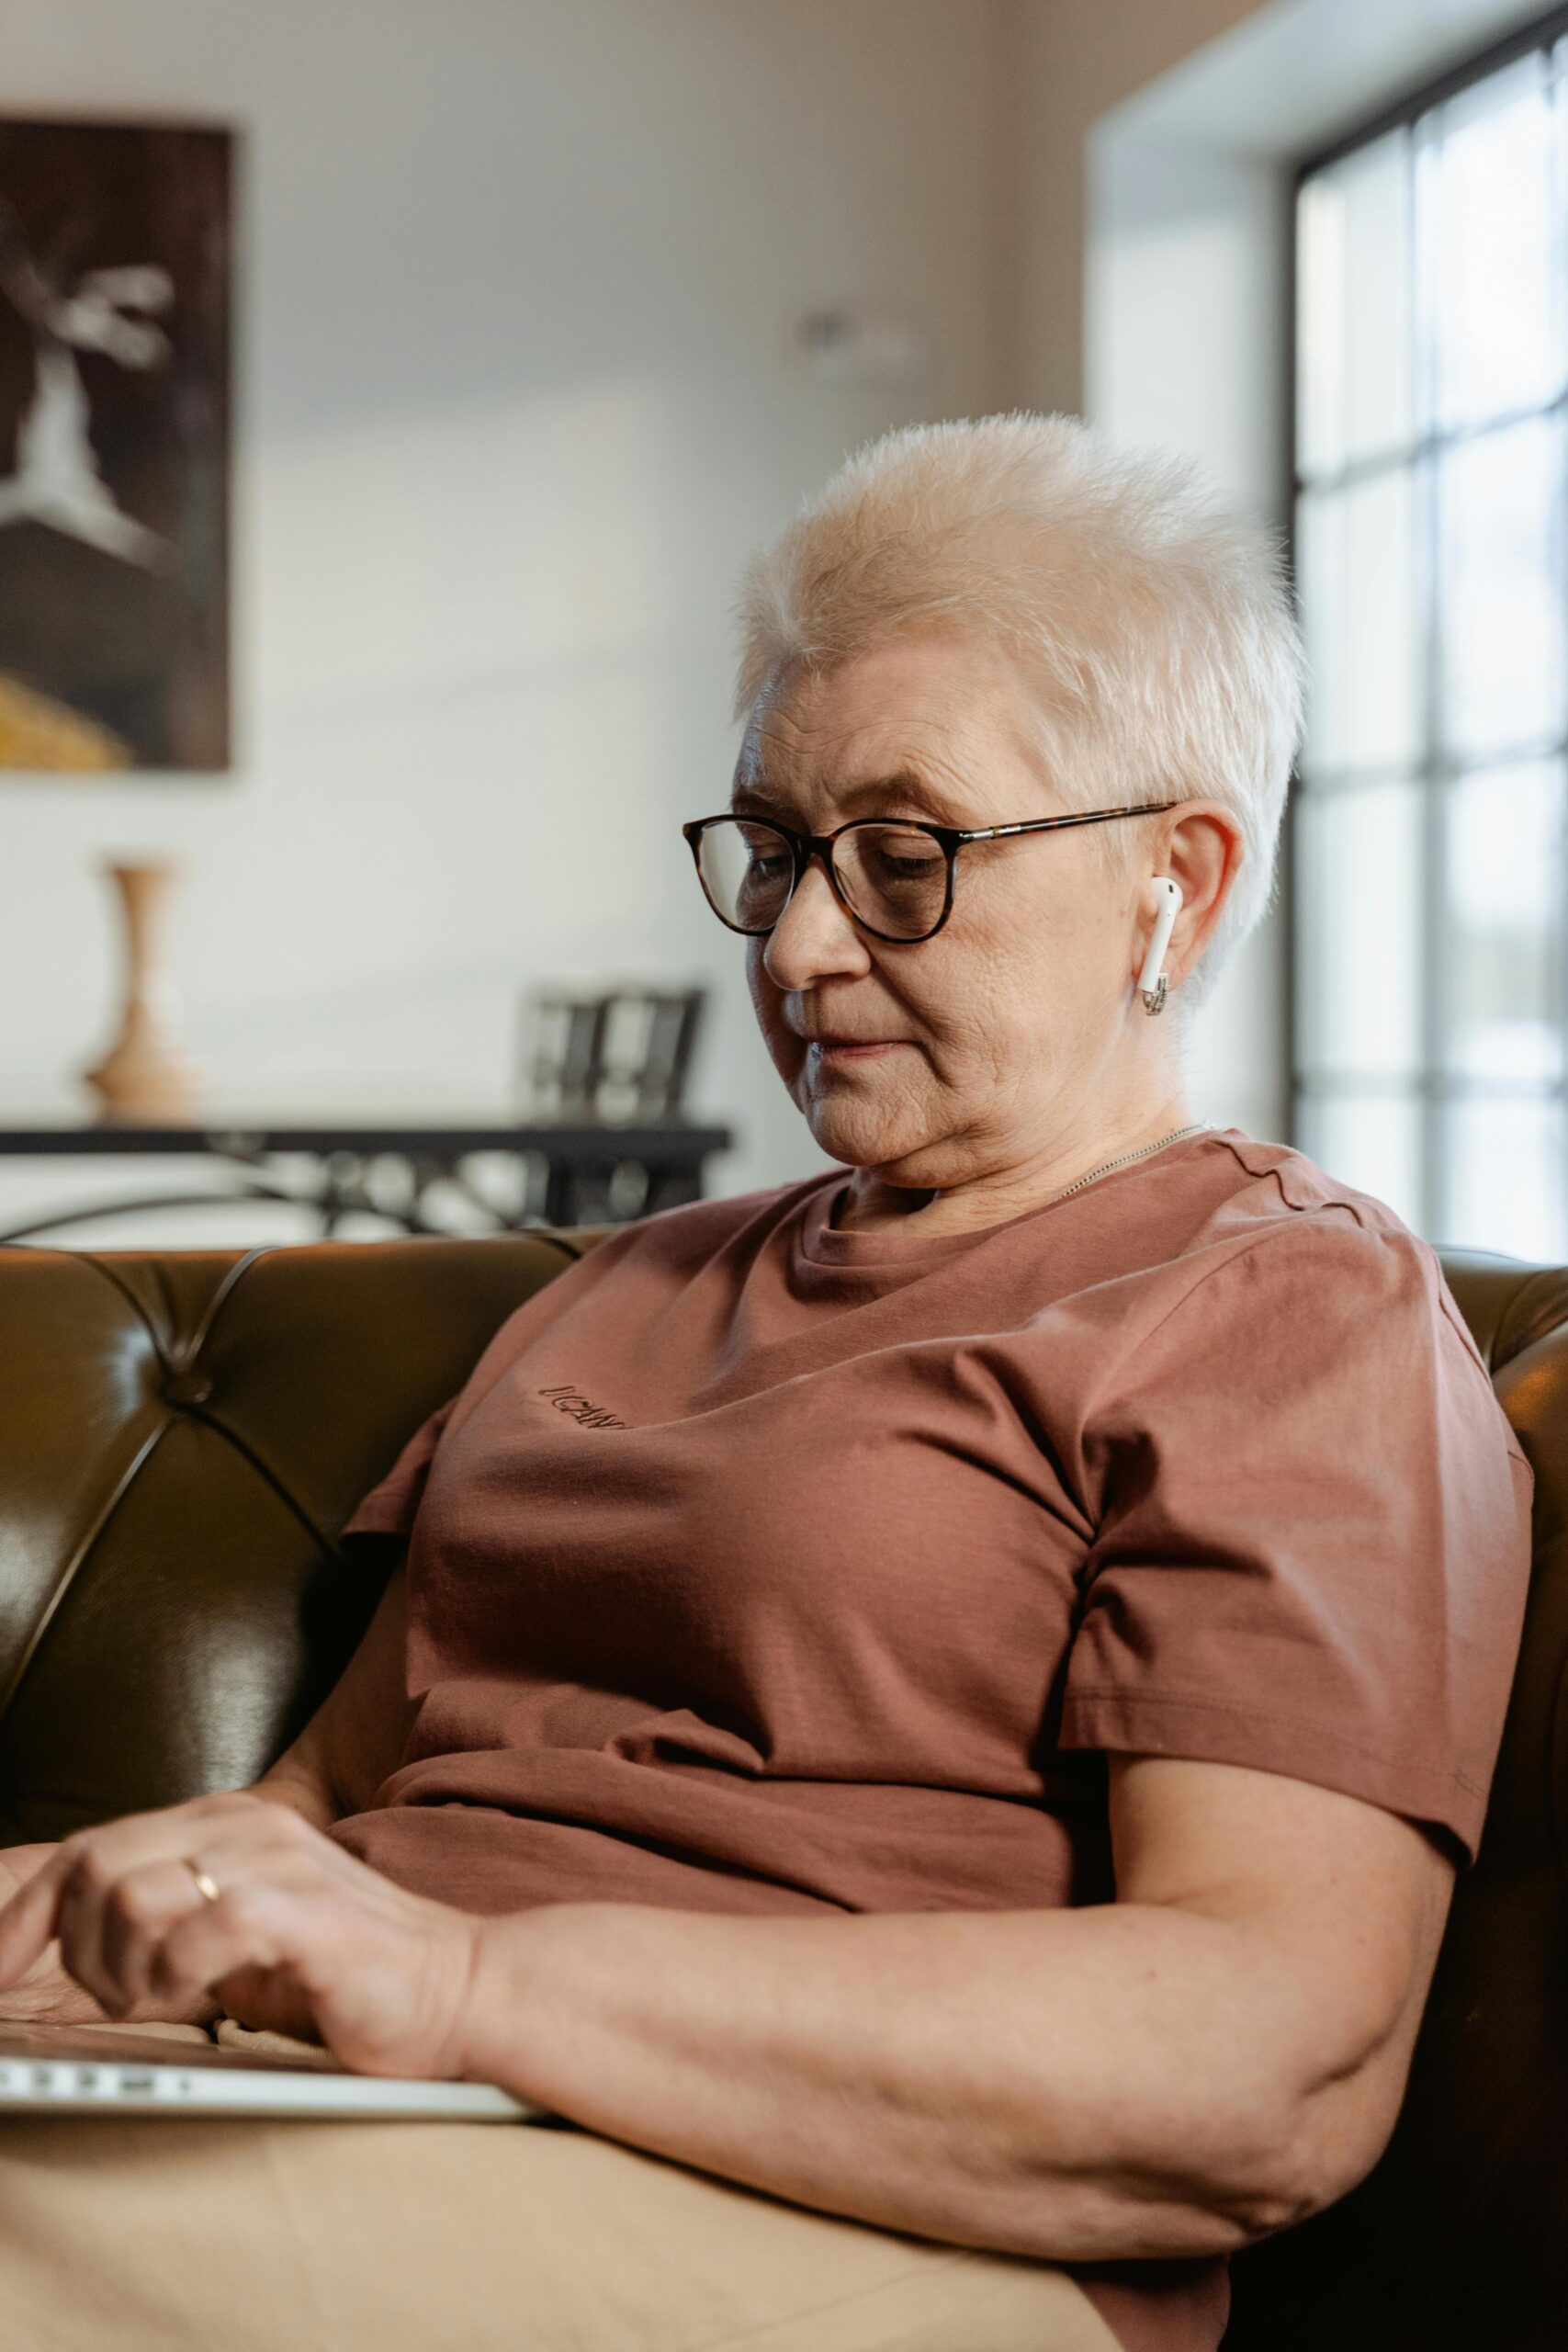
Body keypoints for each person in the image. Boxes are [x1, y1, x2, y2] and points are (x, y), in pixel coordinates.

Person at [0, 413, 1532, 2352]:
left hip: (853, 2215)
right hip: (392, 2115)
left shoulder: (1284, 1308)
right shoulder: (629, 1285)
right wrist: (94, 1915)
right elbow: (326, 1799)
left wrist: (470, 1986)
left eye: (904, 854)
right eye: (780, 847)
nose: (802, 943)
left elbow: (1266, 2062)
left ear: (1179, 877)